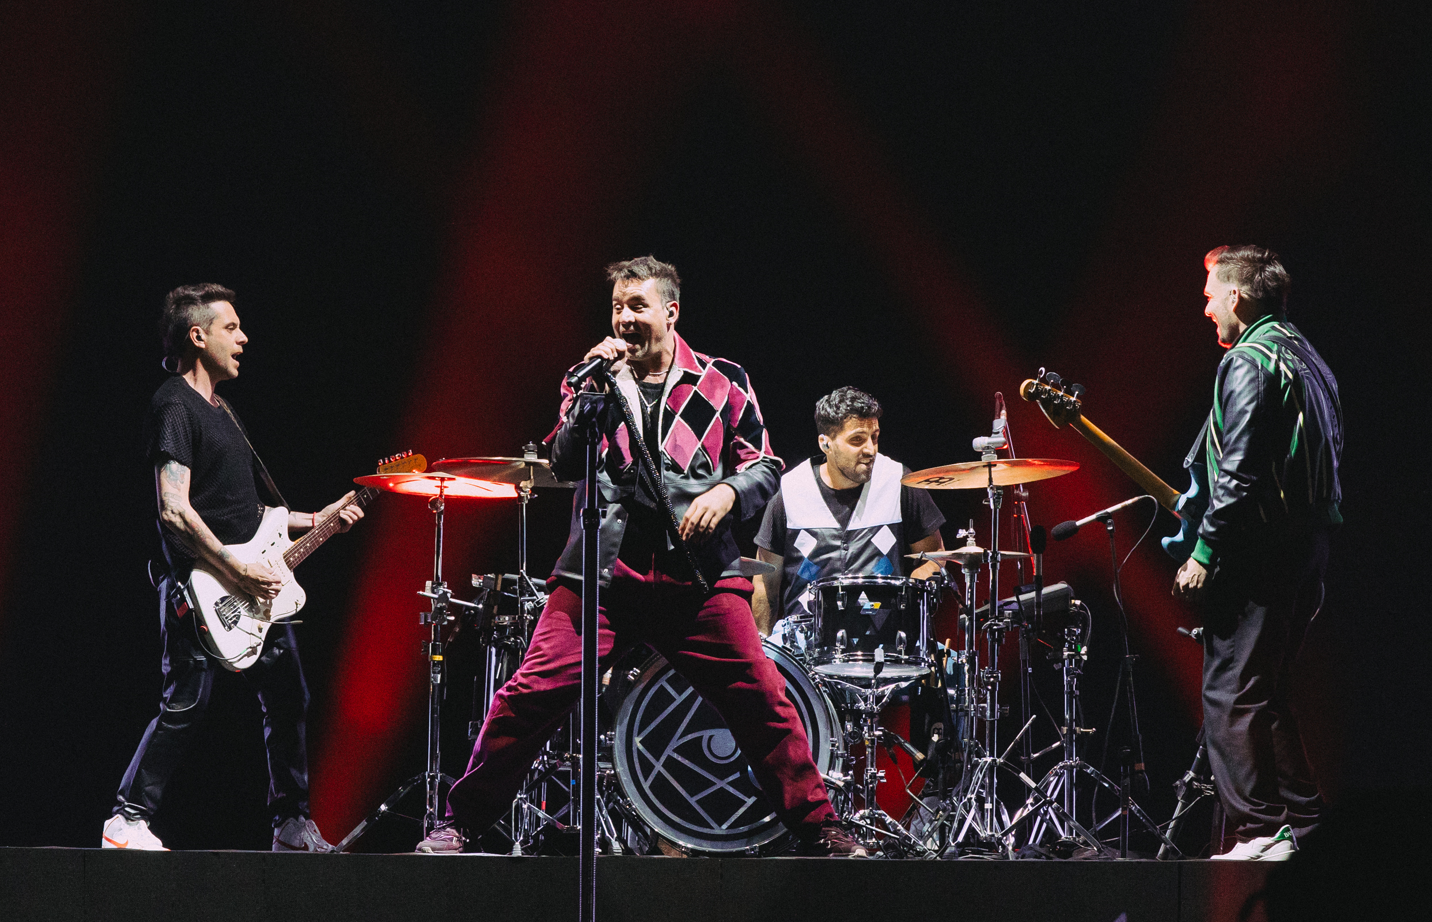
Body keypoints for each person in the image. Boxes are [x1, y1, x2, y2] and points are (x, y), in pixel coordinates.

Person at [418, 256, 865, 856]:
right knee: (530, 695)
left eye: (637, 307)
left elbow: (763, 465)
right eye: (616, 308)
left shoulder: (722, 380)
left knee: (763, 698)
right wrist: (588, 393)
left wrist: (727, 491)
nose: (624, 319)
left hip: (697, 576)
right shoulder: (591, 381)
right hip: (604, 574)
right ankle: (462, 823)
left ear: (670, 312)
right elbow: (567, 462)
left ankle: (820, 827)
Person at [102, 284, 363, 852]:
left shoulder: (225, 412)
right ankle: (126, 818)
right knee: (186, 704)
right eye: (231, 328)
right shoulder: (174, 403)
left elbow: (252, 513)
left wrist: (321, 517)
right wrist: (237, 571)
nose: (244, 338)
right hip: (202, 586)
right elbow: (174, 511)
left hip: (256, 589)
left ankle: (292, 826)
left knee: (289, 700)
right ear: (198, 336)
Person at [1172, 246, 1342, 861]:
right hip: (1309, 546)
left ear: (1237, 297)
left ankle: (1258, 830)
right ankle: (1305, 827)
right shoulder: (1305, 355)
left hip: (1262, 552)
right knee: (1268, 689)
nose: (1207, 303)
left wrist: (1204, 551)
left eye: (1211, 291)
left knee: (1230, 689)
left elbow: (1239, 470)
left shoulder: (1248, 360)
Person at [751, 386, 946, 637]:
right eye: (857, 440)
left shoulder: (897, 481)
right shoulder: (790, 489)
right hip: (805, 649)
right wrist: (763, 648)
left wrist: (912, 593)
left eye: (874, 437)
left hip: (884, 646)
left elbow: (935, 557)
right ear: (826, 443)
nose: (870, 449)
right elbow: (766, 581)